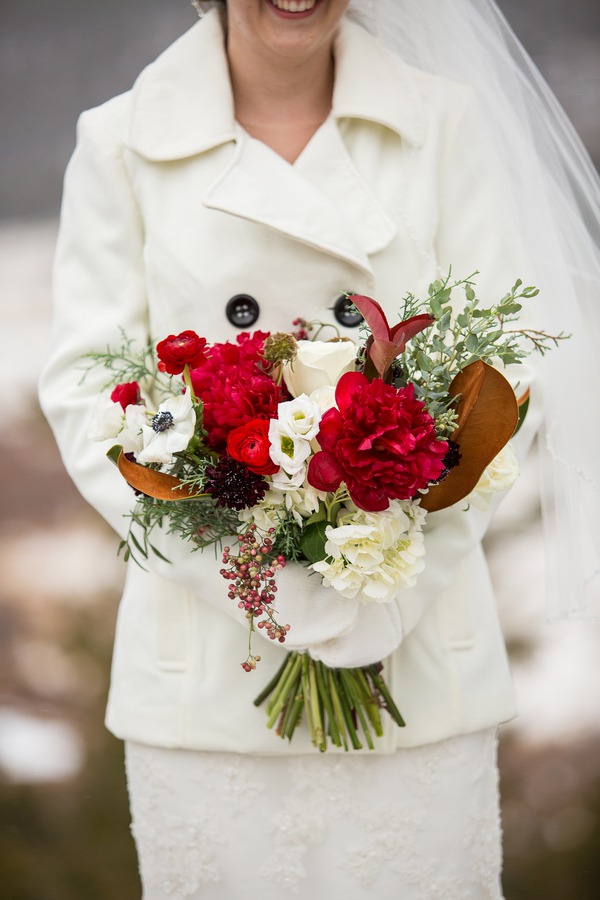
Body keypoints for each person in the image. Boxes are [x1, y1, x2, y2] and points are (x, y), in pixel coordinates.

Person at [39, 1, 600, 897]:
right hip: (209, 683)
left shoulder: (445, 124)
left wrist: (384, 582)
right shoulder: (120, 142)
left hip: (417, 664)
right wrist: (270, 589)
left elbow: (502, 384)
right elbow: (89, 402)